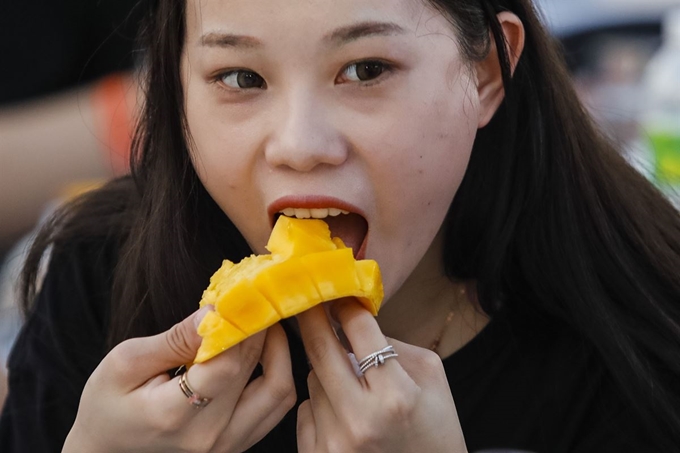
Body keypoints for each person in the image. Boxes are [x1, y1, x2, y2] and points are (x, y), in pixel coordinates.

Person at [1, 0, 679, 452]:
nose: (298, 144)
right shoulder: (99, 281)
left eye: (366, 69)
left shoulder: (643, 343)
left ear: (486, 72)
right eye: (239, 75)